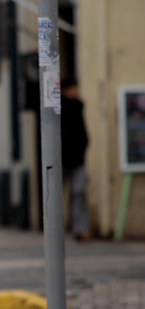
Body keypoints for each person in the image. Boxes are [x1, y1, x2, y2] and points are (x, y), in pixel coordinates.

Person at [61, 78, 91, 241]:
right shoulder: (58, 107)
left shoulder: (78, 105)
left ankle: (81, 228)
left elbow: (82, 133)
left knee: (79, 193)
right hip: (61, 158)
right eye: (73, 88)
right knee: (57, 193)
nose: (76, 92)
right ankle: (57, 226)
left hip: (77, 158)